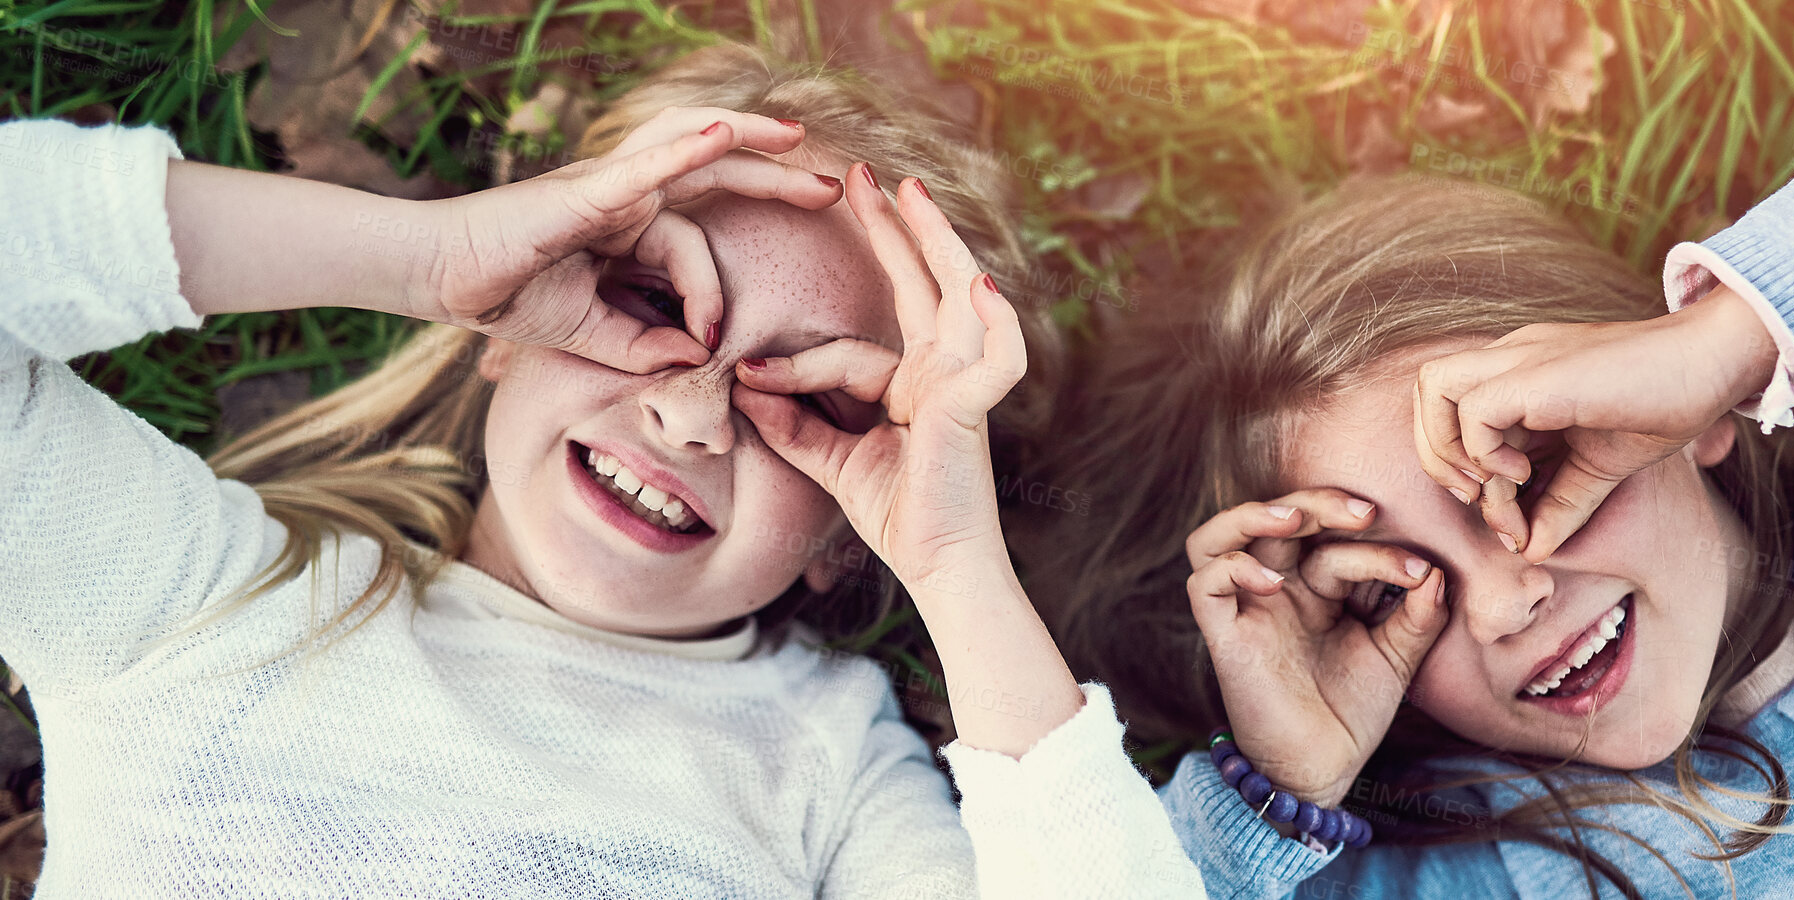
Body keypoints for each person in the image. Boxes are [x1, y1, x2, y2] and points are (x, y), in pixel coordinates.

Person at [1020, 0, 1794, 895]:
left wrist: (1739, 329)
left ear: (1660, 413)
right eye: (1395, 591)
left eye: (1527, 478)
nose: (1501, 602)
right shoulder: (1481, 865)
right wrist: (1279, 790)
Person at [0, 41, 1202, 897]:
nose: (691, 415)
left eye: (819, 401)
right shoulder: (206, 604)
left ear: (850, 539)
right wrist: (429, 259)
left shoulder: (827, 771)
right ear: (501, 340)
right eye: (650, 303)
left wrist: (955, 565)